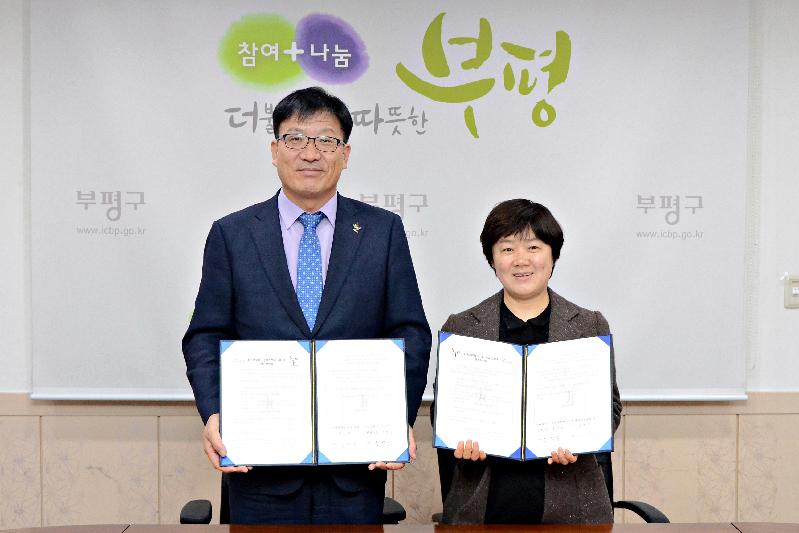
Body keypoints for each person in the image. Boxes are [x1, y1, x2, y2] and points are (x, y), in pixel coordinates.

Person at [182, 86, 431, 524]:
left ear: (346, 154)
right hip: (260, 468)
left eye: (326, 140)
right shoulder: (232, 234)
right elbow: (205, 334)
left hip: (355, 469)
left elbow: (410, 332)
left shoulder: (382, 231)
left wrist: (396, 417)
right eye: (295, 138)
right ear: (274, 150)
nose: (311, 153)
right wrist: (215, 412)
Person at [435, 199, 622, 524]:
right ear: (492, 259)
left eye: (533, 247)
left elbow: (611, 409)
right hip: (482, 510)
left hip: (573, 510)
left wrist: (582, 440)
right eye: (507, 249)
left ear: (553, 255)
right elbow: (445, 411)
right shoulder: (461, 328)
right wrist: (458, 439)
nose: (521, 260)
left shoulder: (589, 325)